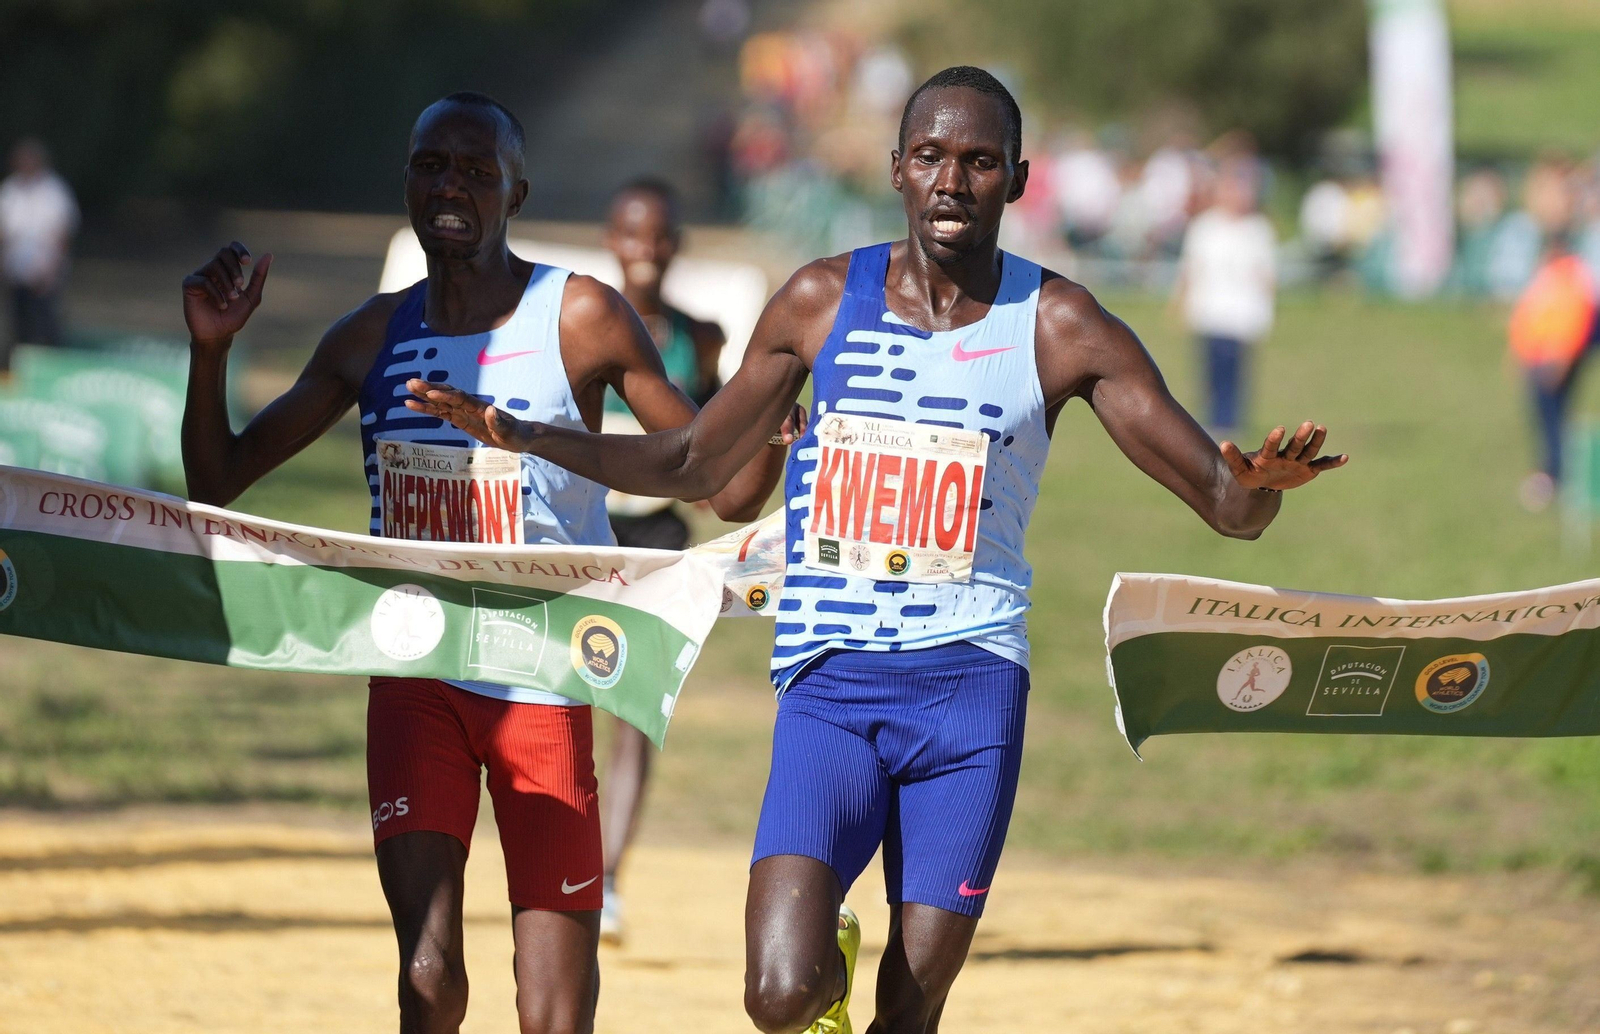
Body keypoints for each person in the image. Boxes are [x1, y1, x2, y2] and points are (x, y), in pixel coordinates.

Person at [408, 67, 1346, 1034]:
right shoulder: (819, 302)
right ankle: (826, 982)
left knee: (910, 1008)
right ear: (897, 169)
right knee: (779, 994)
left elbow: (1226, 505)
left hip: (971, 689)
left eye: (979, 162)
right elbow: (693, 462)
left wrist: (1261, 486)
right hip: (831, 684)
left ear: (1017, 180)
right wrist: (525, 434)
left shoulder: (1062, 326)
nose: (952, 181)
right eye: (931, 157)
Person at [179, 92, 790, 1034]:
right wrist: (211, 352)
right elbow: (218, 479)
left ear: (517, 191)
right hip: (415, 674)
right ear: (409, 185)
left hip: (543, 677)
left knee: (553, 1009)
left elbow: (719, 484)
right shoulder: (370, 336)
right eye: (432, 166)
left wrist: (772, 435)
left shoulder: (579, 317)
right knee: (425, 974)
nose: (451, 186)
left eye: (476, 170)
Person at [595, 177, 726, 944]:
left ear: (676, 244)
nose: (646, 250)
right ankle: (565, 865)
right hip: (578, 538)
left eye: (660, 236)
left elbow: (708, 457)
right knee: (557, 705)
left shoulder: (698, 337)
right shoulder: (580, 326)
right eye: (632, 235)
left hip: (657, 545)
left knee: (633, 713)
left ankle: (609, 878)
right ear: (612, 240)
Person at [1173, 158, 1277, 438]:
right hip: (1210, 309)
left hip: (1241, 312)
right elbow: (1191, 268)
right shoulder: (1205, 227)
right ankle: (1211, 420)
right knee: (1211, 368)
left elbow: (1265, 273)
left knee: (1236, 370)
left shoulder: (1257, 229)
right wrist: (1182, 302)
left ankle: (1231, 421)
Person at [1507, 232, 1598, 510]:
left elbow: (1574, 319)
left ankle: (1559, 474)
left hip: (1556, 358)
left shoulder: (1573, 278)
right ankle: (1551, 472)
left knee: (1556, 416)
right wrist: (1518, 352)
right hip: (1538, 357)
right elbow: (1527, 316)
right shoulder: (1546, 277)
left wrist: (1562, 356)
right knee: (1544, 417)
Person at [0, 138, 79, 373]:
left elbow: (62, 234)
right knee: (16, 327)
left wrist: (51, 271)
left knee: (45, 328)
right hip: (15, 275)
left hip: (45, 276)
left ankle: (49, 374)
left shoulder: (55, 191)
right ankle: (15, 374)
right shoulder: (10, 190)